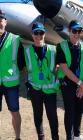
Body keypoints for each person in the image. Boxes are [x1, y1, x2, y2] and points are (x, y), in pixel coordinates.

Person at [19, 22, 59, 140]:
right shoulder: (27, 51)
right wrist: (31, 81)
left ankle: (55, 137)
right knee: (38, 114)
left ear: (44, 34)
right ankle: (41, 137)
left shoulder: (54, 50)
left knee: (52, 115)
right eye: (36, 33)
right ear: (32, 35)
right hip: (34, 89)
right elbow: (25, 68)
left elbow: (60, 67)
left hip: (50, 89)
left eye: (41, 33)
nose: (38, 35)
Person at [56, 20, 83, 140]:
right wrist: (81, 84)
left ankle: (76, 134)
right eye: (74, 30)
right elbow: (65, 69)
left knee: (79, 110)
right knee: (70, 111)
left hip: (82, 84)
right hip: (68, 84)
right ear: (69, 31)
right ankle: (69, 137)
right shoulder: (61, 46)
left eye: (79, 31)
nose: (77, 33)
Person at [0, 9, 21, 140]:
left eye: (0, 20)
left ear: (5, 22)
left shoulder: (16, 39)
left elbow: (25, 61)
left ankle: (17, 137)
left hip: (11, 83)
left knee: (14, 112)